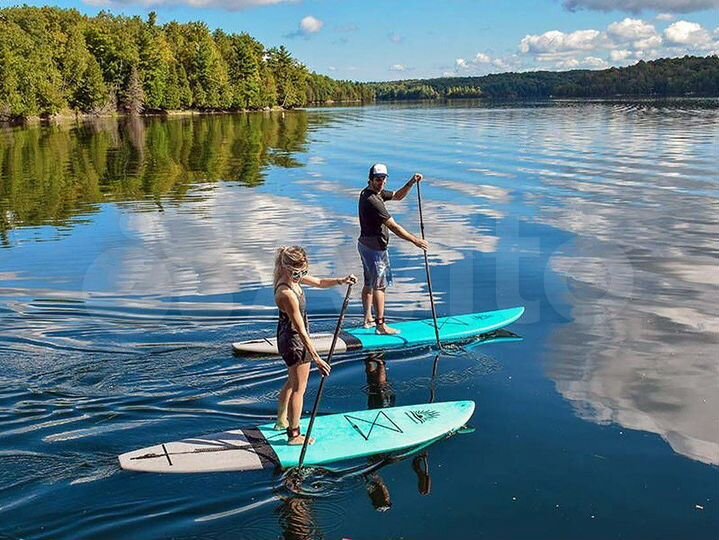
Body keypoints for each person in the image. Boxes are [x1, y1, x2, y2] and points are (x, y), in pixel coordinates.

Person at [273, 246, 356, 445]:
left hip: (289, 338)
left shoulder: (293, 279)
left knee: (292, 382)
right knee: (299, 389)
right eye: (296, 272)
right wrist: (317, 358)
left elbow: (319, 282)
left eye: (303, 272)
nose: (300, 275)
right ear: (285, 267)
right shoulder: (286, 293)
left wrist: (340, 281)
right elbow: (301, 330)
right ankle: (294, 435)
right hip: (294, 341)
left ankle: (281, 420)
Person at [358, 163, 429, 335]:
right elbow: (394, 226)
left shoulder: (373, 192)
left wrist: (411, 183)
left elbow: (397, 196)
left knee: (369, 283)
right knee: (380, 287)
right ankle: (381, 326)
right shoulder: (373, 200)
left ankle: (368, 319)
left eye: (383, 179)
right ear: (370, 179)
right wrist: (415, 240)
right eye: (377, 179)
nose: (381, 182)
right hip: (375, 250)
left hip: (365, 245)